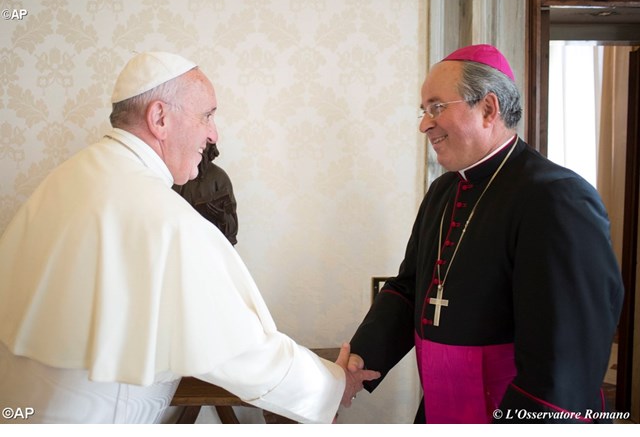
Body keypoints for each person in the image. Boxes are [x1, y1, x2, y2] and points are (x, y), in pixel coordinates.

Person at [0, 51, 379, 424]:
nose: (213, 134)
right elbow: (239, 349)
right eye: (206, 115)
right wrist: (333, 385)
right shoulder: (160, 215)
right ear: (160, 118)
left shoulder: (69, 177)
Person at [347, 44, 624, 423]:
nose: (424, 124)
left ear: (489, 109)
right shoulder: (443, 191)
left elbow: (567, 352)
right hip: (441, 410)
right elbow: (409, 289)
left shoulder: (558, 197)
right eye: (423, 110)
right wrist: (359, 360)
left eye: (436, 107)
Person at [173, 143, 239, 245]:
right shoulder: (178, 175)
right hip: (183, 241)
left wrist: (222, 217)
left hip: (211, 244)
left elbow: (232, 228)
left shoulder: (219, 177)